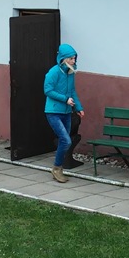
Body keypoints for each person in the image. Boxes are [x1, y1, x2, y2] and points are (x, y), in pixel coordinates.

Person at [44, 43, 85, 183]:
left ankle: (58, 168)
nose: (74, 61)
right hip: (53, 111)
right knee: (66, 140)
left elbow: (72, 91)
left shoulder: (70, 72)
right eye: (71, 58)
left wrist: (79, 108)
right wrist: (65, 99)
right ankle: (57, 168)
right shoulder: (53, 72)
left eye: (74, 58)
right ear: (64, 59)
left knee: (65, 141)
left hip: (66, 112)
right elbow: (47, 90)